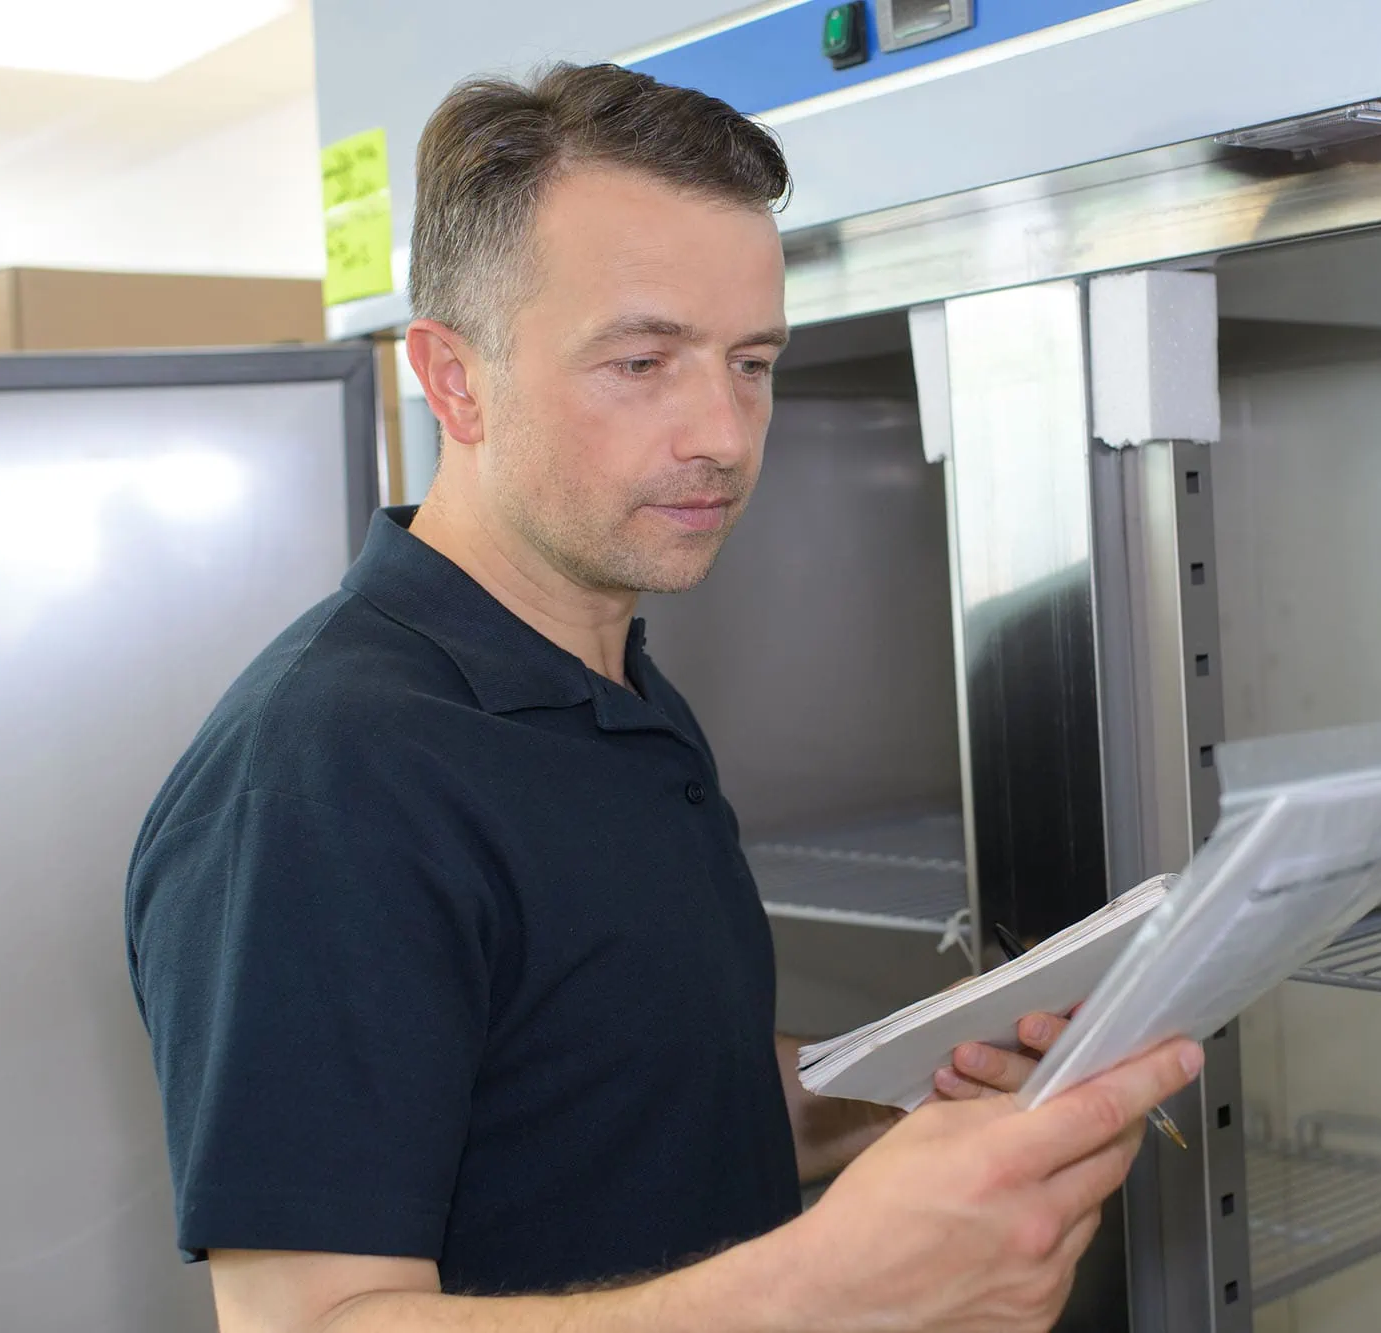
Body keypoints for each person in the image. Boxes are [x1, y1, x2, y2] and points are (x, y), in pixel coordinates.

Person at [124, 62, 1200, 1332]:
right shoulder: (325, 772)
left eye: (750, 363)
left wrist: (919, 1095)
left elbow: (635, 1101)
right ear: (455, 381)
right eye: (642, 362)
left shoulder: (615, 689)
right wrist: (825, 1289)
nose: (723, 433)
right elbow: (309, 1321)